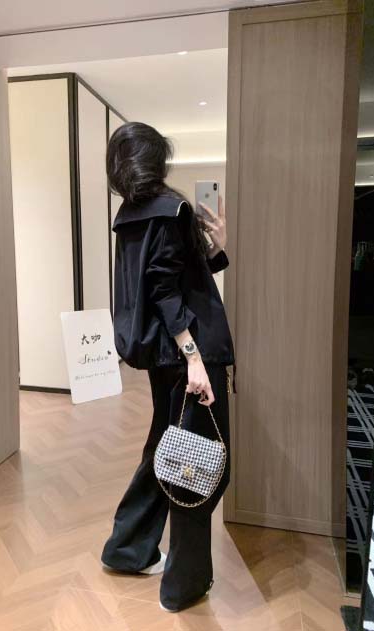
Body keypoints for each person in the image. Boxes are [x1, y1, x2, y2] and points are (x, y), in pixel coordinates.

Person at [101, 121, 236, 613]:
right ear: (156, 161)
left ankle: (127, 548)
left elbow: (178, 278)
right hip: (189, 358)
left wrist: (215, 248)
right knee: (198, 467)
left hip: (165, 356)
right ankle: (183, 586)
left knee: (166, 448)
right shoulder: (171, 209)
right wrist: (195, 358)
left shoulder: (130, 215)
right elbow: (163, 289)